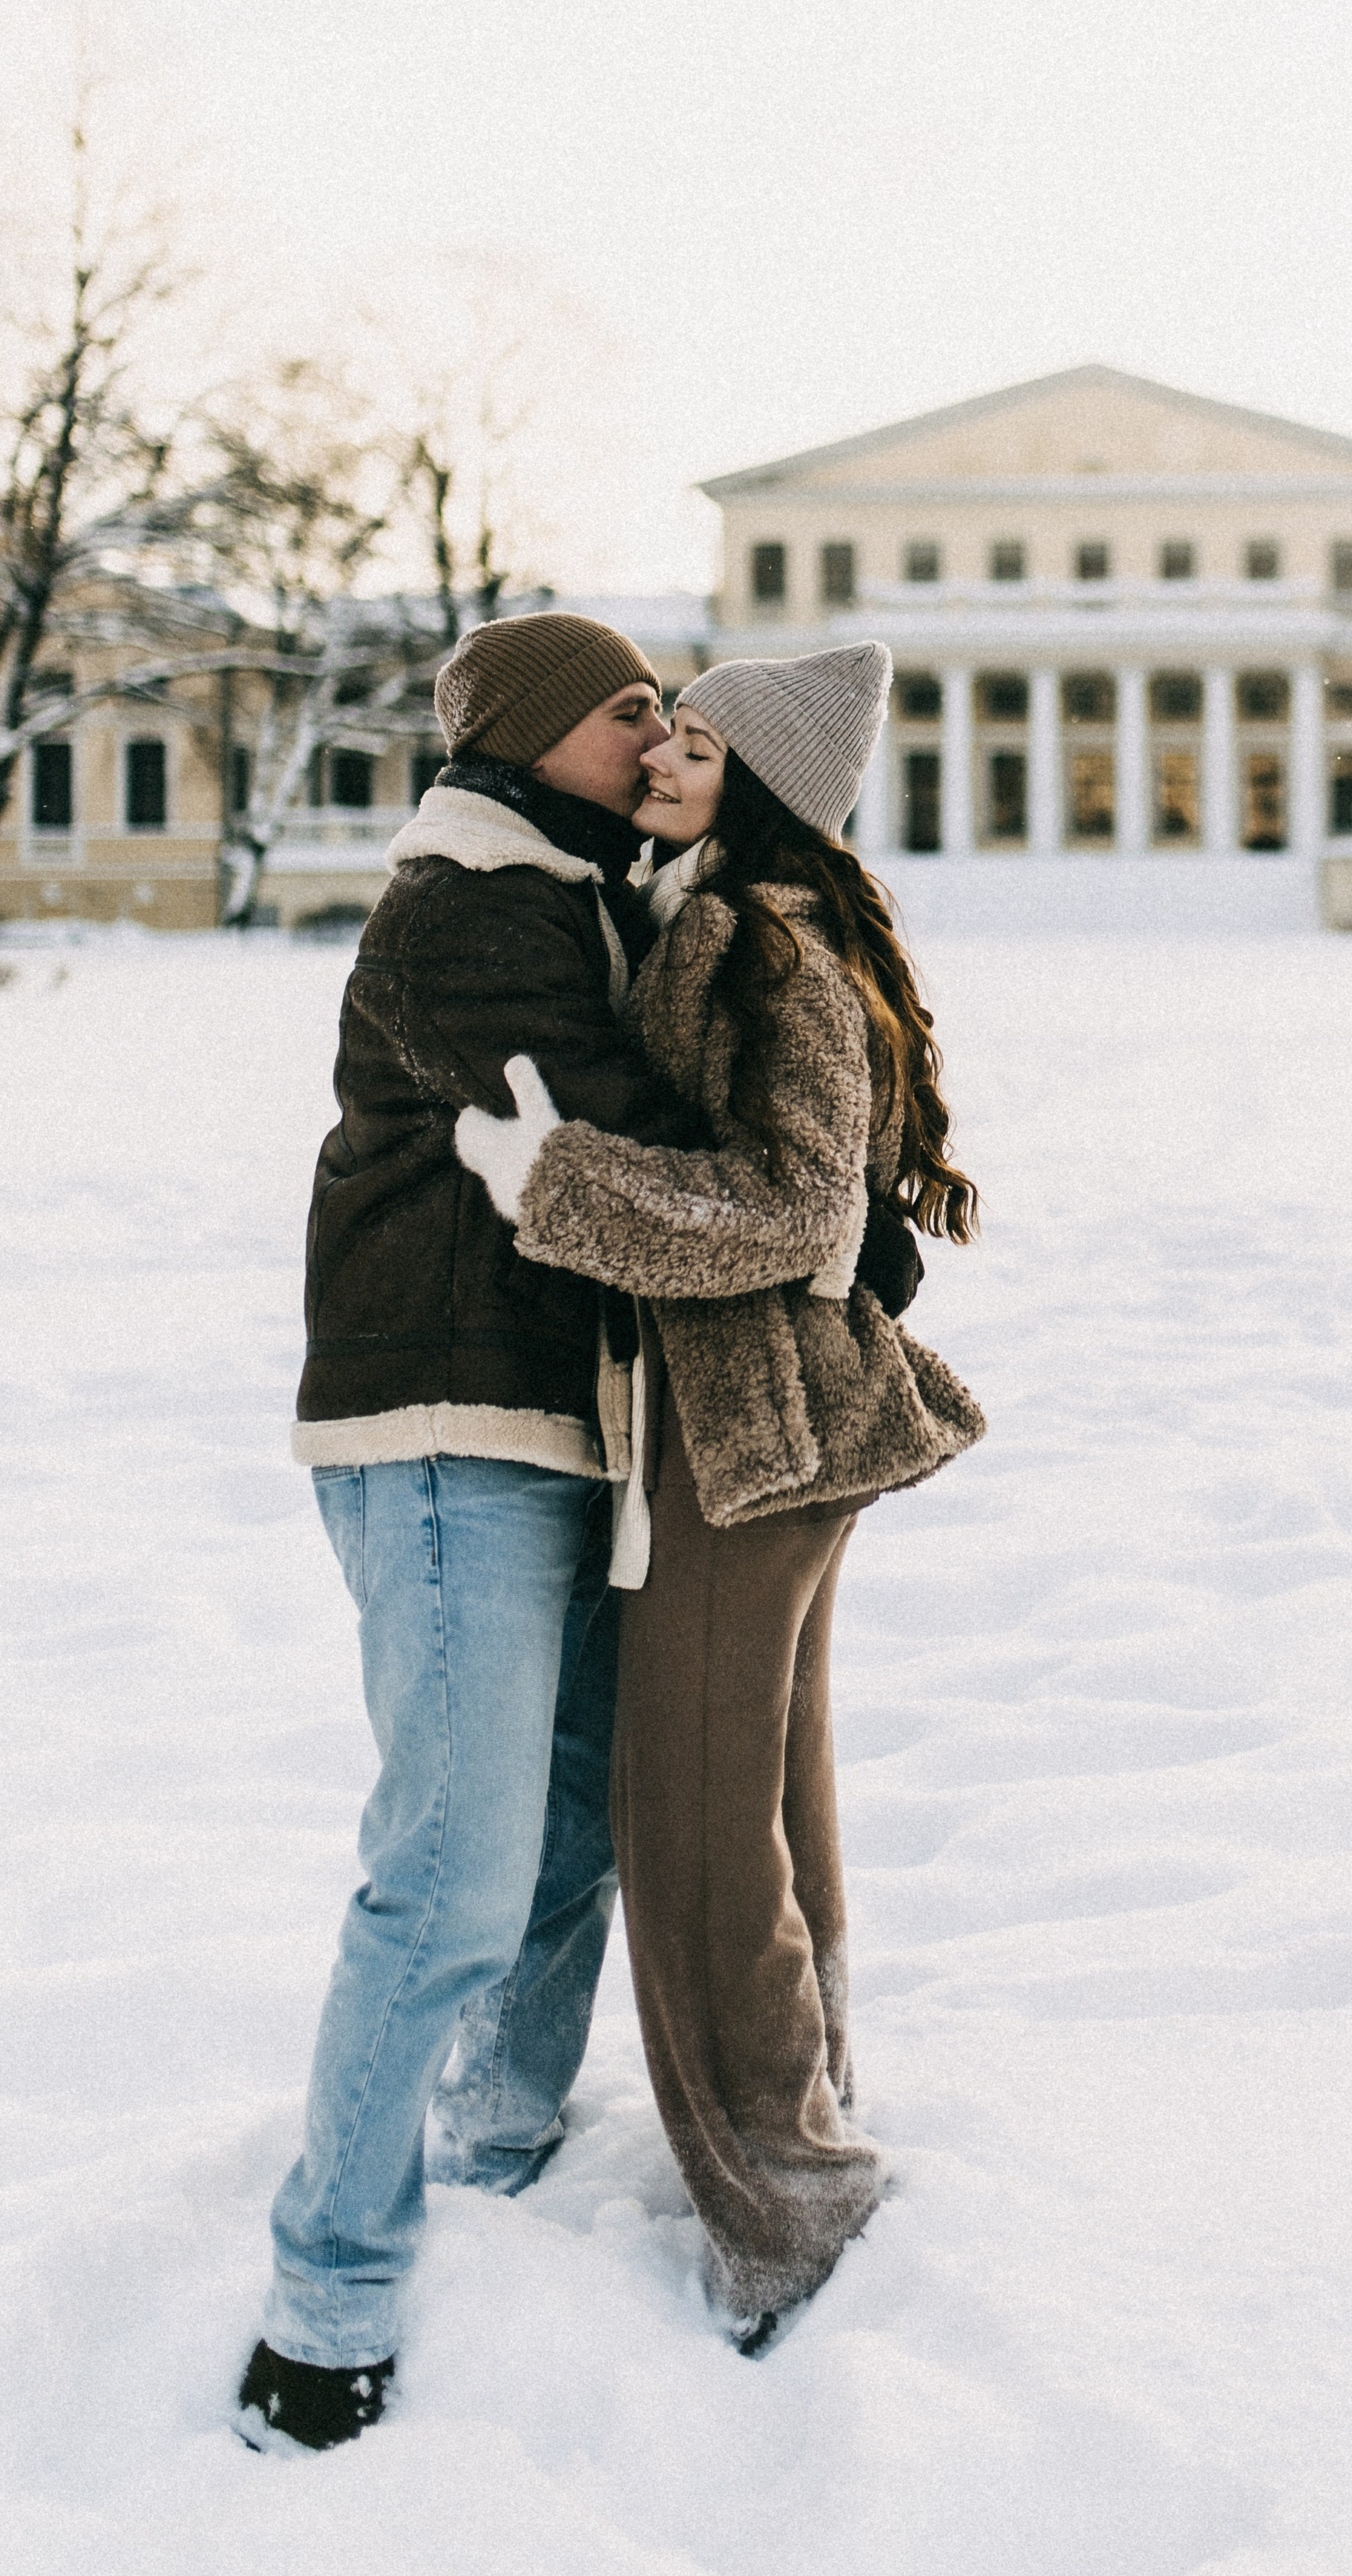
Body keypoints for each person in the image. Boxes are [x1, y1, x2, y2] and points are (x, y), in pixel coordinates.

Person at [235, 611, 922, 2454]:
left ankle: (493, 2153)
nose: (655, 734)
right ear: (538, 740)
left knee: (557, 1838)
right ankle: (329, 2301)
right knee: (452, 1872)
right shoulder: (474, 906)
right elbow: (611, 1127)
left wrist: (823, 1182)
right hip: (442, 1424)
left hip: (563, 1431)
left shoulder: (592, 890)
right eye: (629, 712)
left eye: (675, 717)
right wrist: (817, 1201)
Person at [456, 638, 984, 2352]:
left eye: (690, 741)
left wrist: (553, 1178)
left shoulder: (762, 936)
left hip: (761, 1430)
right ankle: (813, 2110)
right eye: (661, 730)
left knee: (686, 1825)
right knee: (762, 1792)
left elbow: (791, 1207)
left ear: (753, 783)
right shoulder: (732, 915)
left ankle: (785, 2194)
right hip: (767, 1424)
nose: (662, 756)